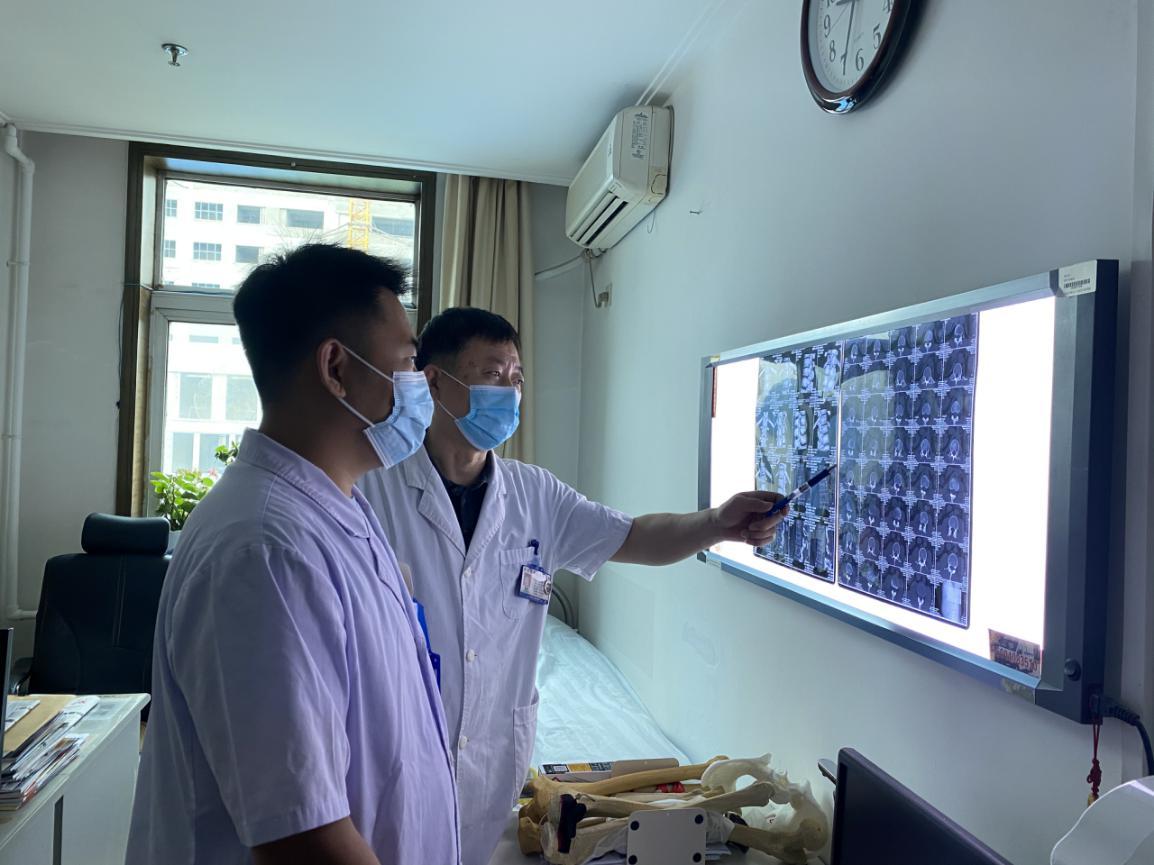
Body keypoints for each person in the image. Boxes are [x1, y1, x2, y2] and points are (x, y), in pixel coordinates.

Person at [359, 307, 786, 865]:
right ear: (435, 383)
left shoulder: (535, 494)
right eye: (492, 375)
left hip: (492, 760)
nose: (510, 393)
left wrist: (715, 524)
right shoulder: (372, 490)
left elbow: (635, 536)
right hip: (397, 753)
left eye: (517, 378)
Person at [127, 245, 459, 865]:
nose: (421, 388)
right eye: (409, 363)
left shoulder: (337, 510)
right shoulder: (264, 550)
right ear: (336, 367)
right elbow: (304, 837)